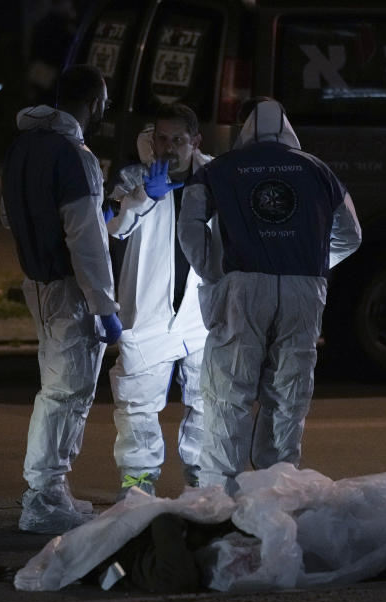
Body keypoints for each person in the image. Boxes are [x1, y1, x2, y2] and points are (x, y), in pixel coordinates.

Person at [14, 464, 386, 593]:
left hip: (312, 531)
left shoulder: (139, 543)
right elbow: (175, 574)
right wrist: (167, 518)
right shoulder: (135, 565)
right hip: (312, 551)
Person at [177, 98, 363, 495]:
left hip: (243, 287)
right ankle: (276, 489)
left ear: (244, 127)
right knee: (289, 393)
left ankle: (217, 496)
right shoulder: (318, 170)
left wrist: (213, 271)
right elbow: (352, 235)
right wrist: (312, 260)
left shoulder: (219, 170)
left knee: (230, 391)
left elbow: (190, 226)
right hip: (303, 290)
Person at [1, 64, 122, 534]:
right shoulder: (76, 156)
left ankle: (50, 492)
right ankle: (45, 497)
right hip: (70, 288)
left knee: (57, 386)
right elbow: (87, 243)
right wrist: (105, 308)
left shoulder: (22, 147)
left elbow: (11, 217)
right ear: (94, 102)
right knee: (67, 391)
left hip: (39, 283)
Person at [103, 104, 212, 498]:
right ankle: (138, 483)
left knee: (208, 400)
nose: (167, 148)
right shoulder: (134, 178)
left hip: (203, 314)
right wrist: (142, 198)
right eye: (160, 138)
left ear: (195, 141)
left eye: (177, 140)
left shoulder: (216, 176)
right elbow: (113, 228)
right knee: (136, 403)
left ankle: (203, 480)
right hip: (148, 313)